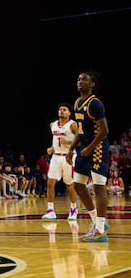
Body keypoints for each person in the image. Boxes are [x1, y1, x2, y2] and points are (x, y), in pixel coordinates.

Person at [68, 70, 110, 242]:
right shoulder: (77, 103)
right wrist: (72, 148)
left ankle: (100, 231)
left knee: (99, 188)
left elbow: (104, 131)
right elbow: (80, 130)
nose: (80, 82)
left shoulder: (95, 104)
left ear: (92, 84)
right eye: (78, 79)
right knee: (78, 185)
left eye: (84, 79)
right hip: (83, 149)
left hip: (97, 147)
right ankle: (98, 223)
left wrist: (90, 148)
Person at [42, 103, 79, 221]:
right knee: (50, 183)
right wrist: (52, 148)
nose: (61, 111)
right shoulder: (53, 125)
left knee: (69, 185)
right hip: (56, 157)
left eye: (64, 109)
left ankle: (73, 209)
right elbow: (55, 140)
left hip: (69, 157)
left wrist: (68, 141)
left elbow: (81, 140)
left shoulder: (72, 125)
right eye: (60, 109)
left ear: (69, 113)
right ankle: (50, 210)